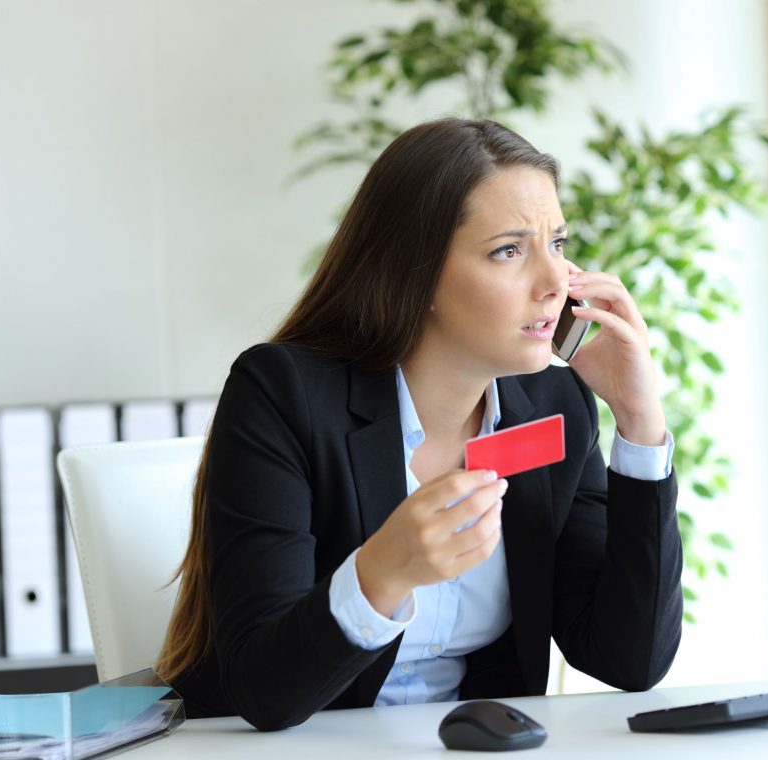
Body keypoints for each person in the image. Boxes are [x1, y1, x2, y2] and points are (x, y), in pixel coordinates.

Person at [155, 118, 683, 731]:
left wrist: (640, 427)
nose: (553, 285)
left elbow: (629, 660)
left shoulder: (555, 403)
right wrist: (383, 572)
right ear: (419, 273)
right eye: (509, 251)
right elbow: (263, 690)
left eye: (557, 245)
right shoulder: (283, 394)